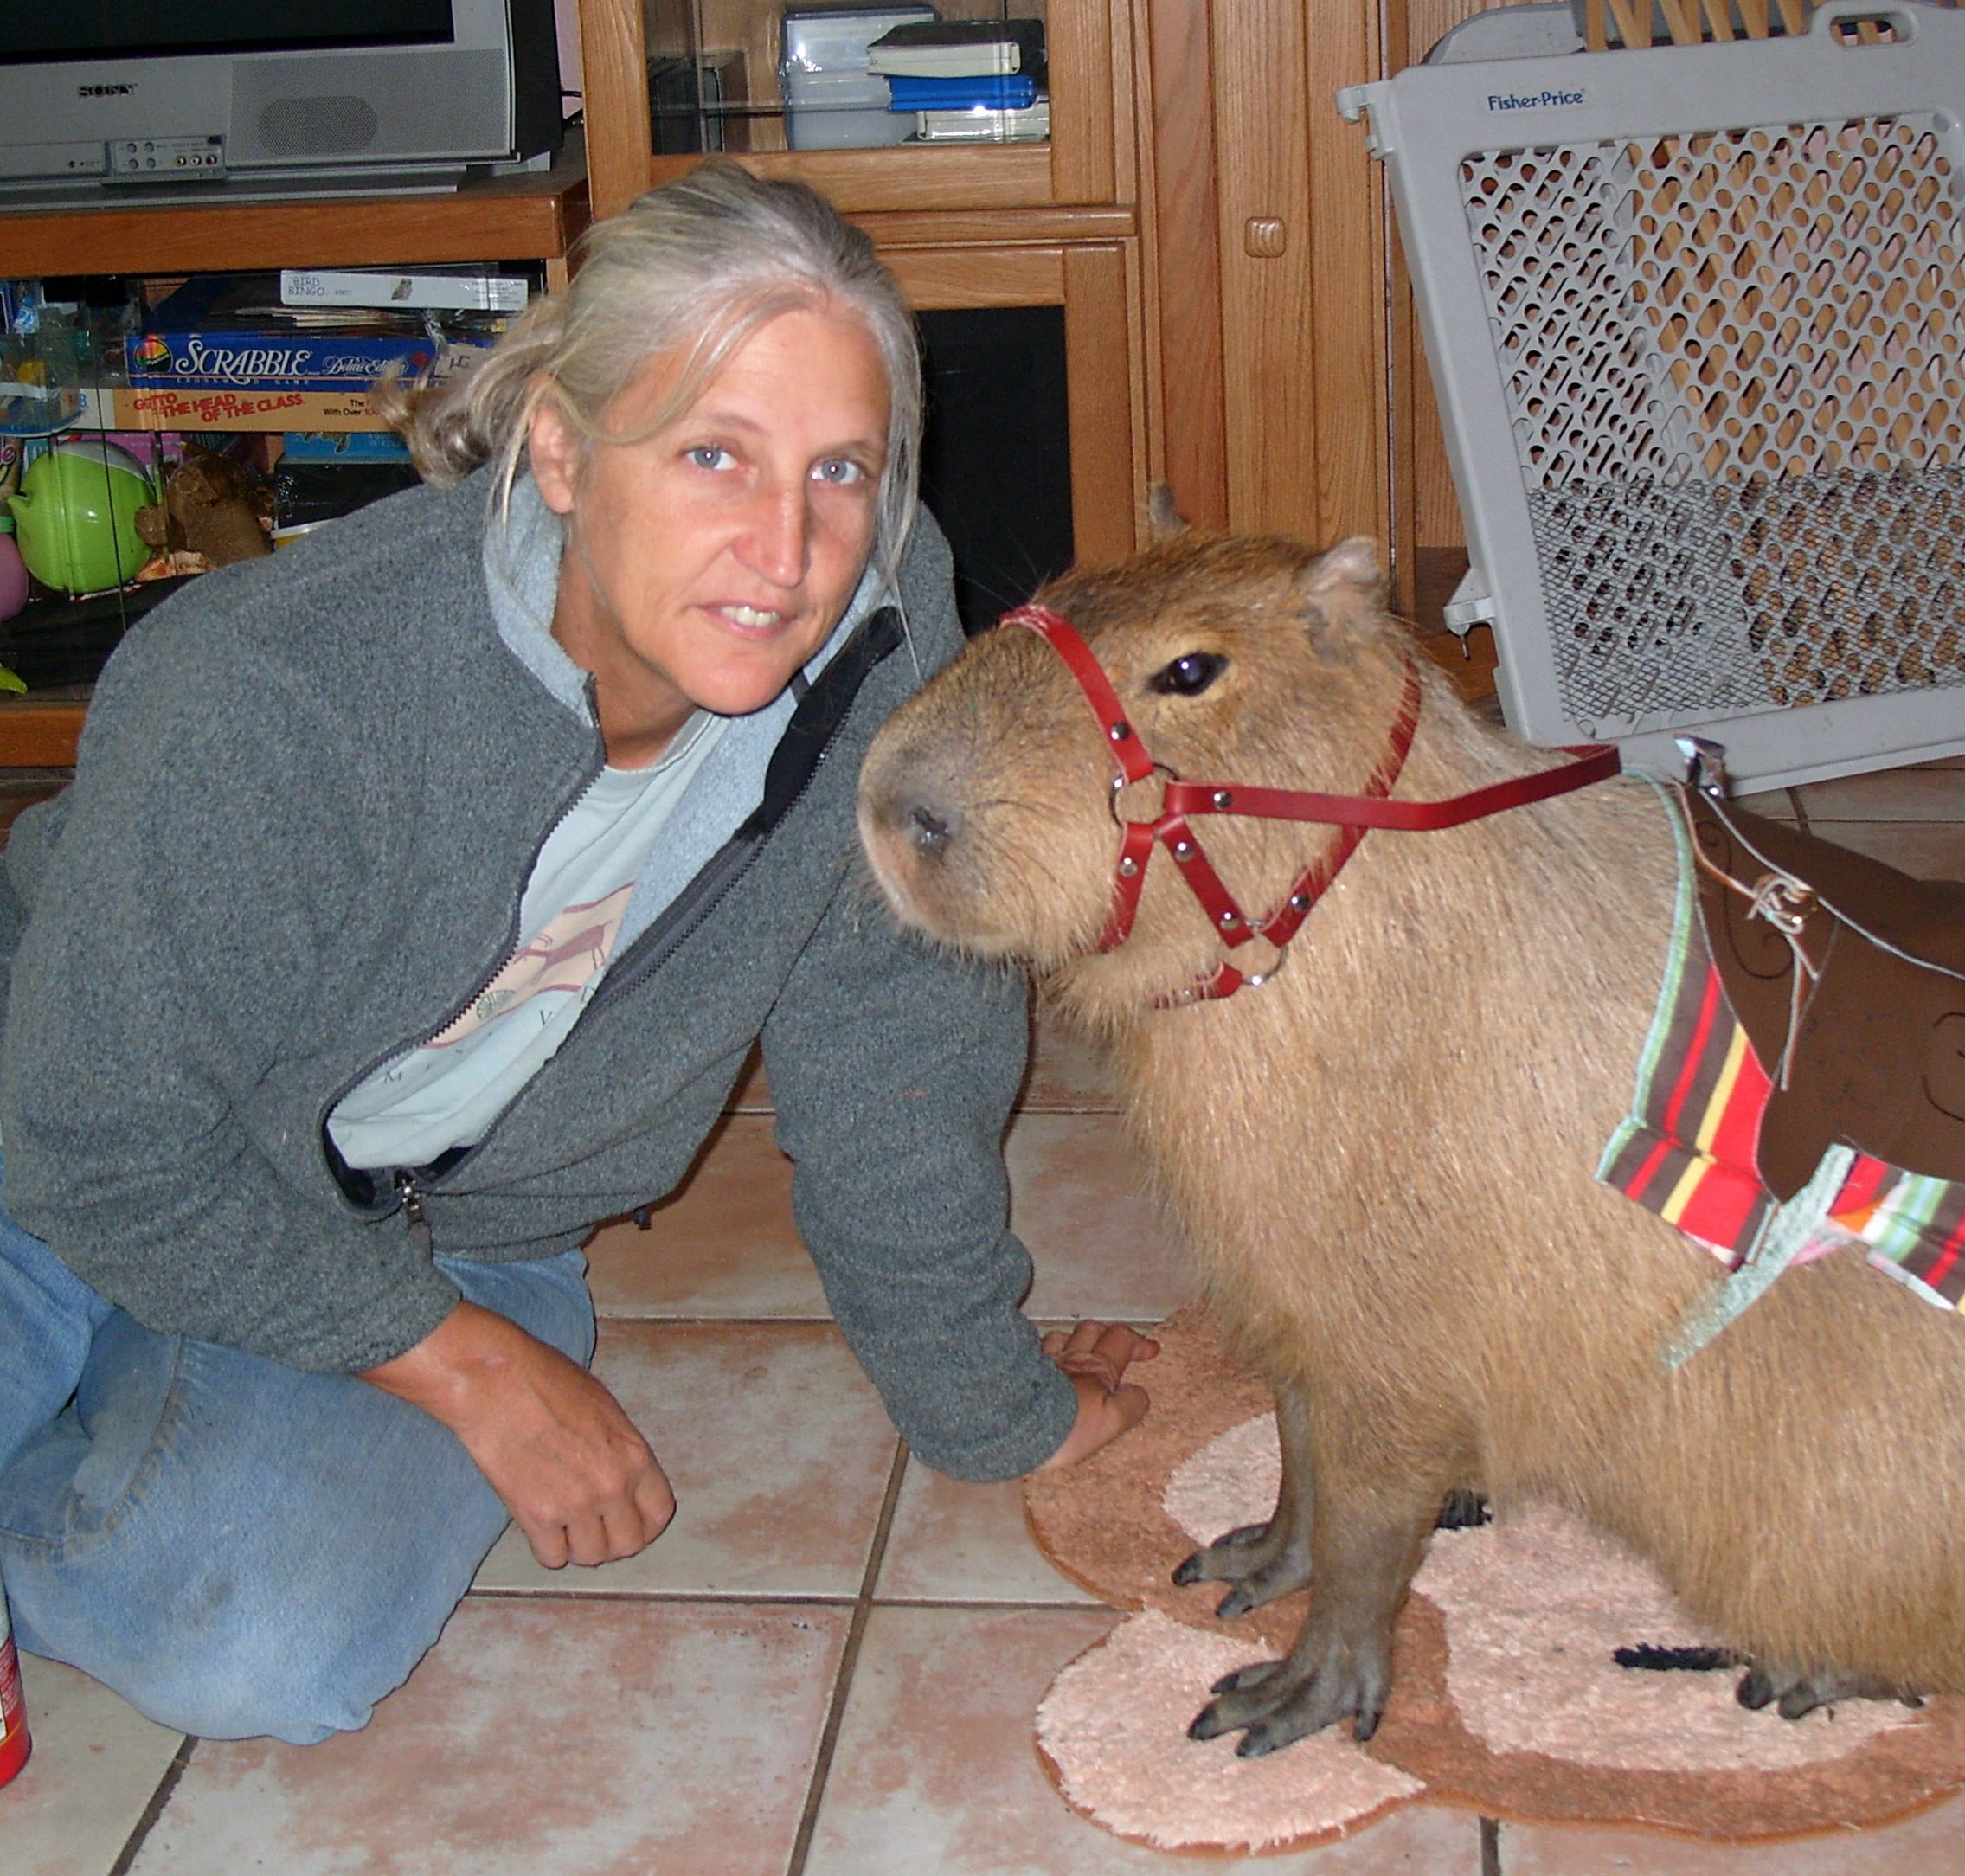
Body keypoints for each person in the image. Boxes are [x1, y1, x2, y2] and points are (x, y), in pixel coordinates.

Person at [0, 165, 1156, 1744]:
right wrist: (458, 1365)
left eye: (841, 470)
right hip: (61, 1119)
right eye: (710, 456)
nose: (786, 548)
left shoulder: (885, 647)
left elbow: (900, 1061)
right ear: (556, 444)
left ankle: (158, 1369)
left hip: (449, 1219)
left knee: (262, 1646)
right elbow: (97, 1142)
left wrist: (986, 1408)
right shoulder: (268, 694)